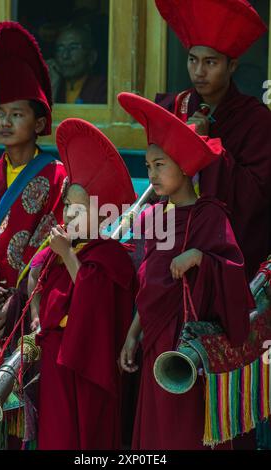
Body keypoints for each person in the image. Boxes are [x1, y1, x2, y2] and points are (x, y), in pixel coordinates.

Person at [118, 92, 254, 450]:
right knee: (156, 431)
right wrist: (133, 334)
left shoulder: (210, 214)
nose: (152, 174)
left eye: (160, 164)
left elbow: (234, 274)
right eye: (148, 166)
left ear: (184, 165)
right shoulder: (150, 217)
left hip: (189, 344)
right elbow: (147, 283)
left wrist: (200, 257)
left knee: (186, 430)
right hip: (155, 341)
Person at [0, 21, 67, 449]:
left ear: (39, 120)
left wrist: (19, 296)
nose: (5, 122)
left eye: (17, 113)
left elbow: (52, 246)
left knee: (25, 410)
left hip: (26, 311)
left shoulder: (58, 176)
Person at [29, 118, 137, 450]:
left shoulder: (110, 256)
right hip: (55, 354)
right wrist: (35, 315)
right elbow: (36, 283)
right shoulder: (62, 251)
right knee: (57, 433)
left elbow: (95, 304)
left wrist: (69, 256)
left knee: (88, 435)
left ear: (103, 216)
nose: (70, 217)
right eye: (67, 208)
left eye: (80, 209)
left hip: (89, 361)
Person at [154, 0, 271, 281]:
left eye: (210, 62)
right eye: (193, 59)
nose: (199, 72)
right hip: (172, 236)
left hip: (224, 251)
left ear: (232, 65)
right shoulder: (175, 108)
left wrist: (209, 148)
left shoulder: (257, 120)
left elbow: (255, 196)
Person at [47, 22, 107, 104]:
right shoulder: (55, 84)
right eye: (60, 48)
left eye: (73, 47)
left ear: (91, 57)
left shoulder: (103, 88)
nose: (65, 55)